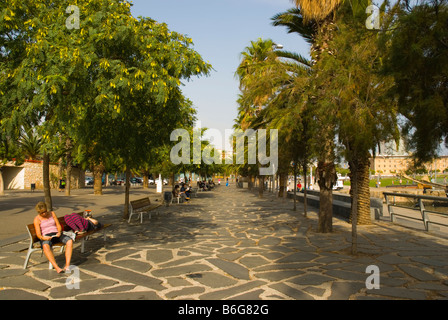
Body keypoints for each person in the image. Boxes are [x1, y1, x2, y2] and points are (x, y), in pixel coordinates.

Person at [33, 201, 73, 273]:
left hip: (56, 234)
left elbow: (58, 225)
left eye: (45, 211)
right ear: (39, 212)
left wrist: (59, 232)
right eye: (42, 213)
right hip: (46, 236)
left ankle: (67, 265)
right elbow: (38, 234)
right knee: (45, 246)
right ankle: (57, 267)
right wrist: (43, 238)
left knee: (69, 241)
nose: (44, 214)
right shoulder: (37, 219)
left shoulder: (52, 213)